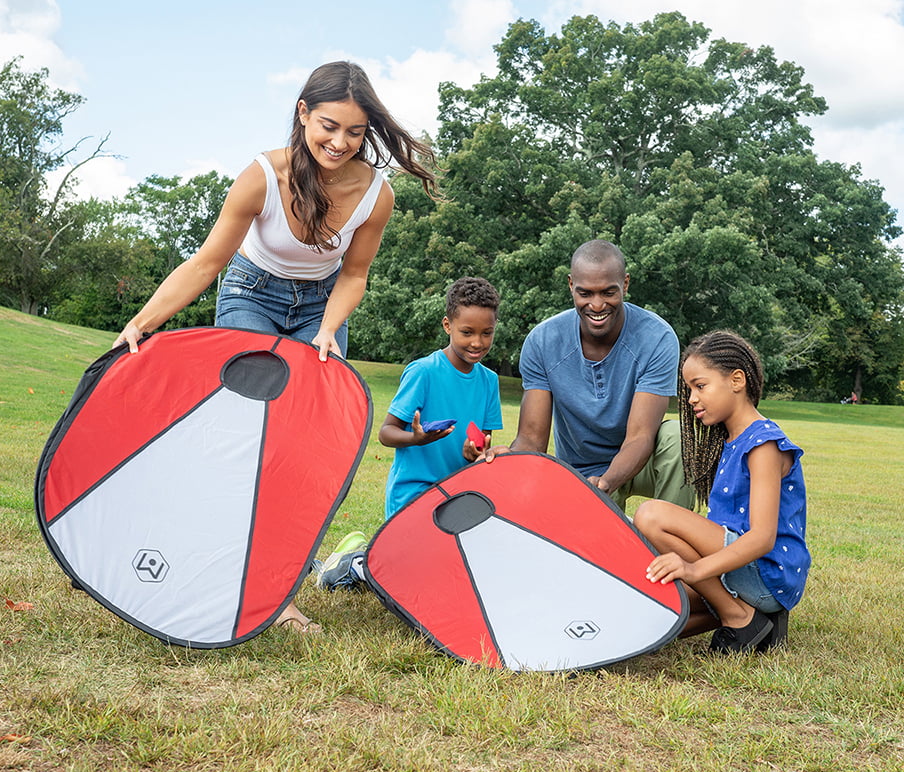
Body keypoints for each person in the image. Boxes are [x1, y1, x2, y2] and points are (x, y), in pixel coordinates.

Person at [112, 61, 438, 633]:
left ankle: (278, 590)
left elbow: (355, 274)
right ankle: (174, 550)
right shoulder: (262, 176)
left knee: (305, 449)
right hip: (250, 293)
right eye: (329, 126)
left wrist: (331, 327)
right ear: (303, 113)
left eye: (355, 132)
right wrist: (144, 319)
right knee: (242, 436)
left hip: (320, 308)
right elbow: (209, 262)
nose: (340, 142)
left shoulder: (375, 195)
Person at [315, 277, 503, 589]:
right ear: (447, 325)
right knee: (413, 581)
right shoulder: (424, 372)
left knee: (456, 577)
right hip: (413, 494)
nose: (477, 342)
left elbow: (481, 440)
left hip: (456, 495)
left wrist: (478, 450)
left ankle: (378, 559)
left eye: (487, 333)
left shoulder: (489, 381)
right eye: (467, 332)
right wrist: (417, 438)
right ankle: (353, 565)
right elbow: (386, 433)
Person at [638, 330, 810, 654]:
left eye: (700, 386)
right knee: (651, 616)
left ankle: (737, 616)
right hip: (738, 572)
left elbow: (761, 538)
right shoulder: (731, 440)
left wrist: (692, 571)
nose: (691, 398)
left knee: (651, 515)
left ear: (737, 380)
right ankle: (755, 622)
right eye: (689, 389)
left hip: (767, 574)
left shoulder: (764, 445)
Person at [500, 240, 694, 511]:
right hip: (580, 471)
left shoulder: (657, 337)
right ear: (571, 286)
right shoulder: (542, 341)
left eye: (608, 292)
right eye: (585, 293)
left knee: (678, 436)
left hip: (640, 459)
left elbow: (640, 436)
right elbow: (532, 438)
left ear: (625, 284)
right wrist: (505, 461)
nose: (597, 305)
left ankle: (673, 542)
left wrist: (606, 482)